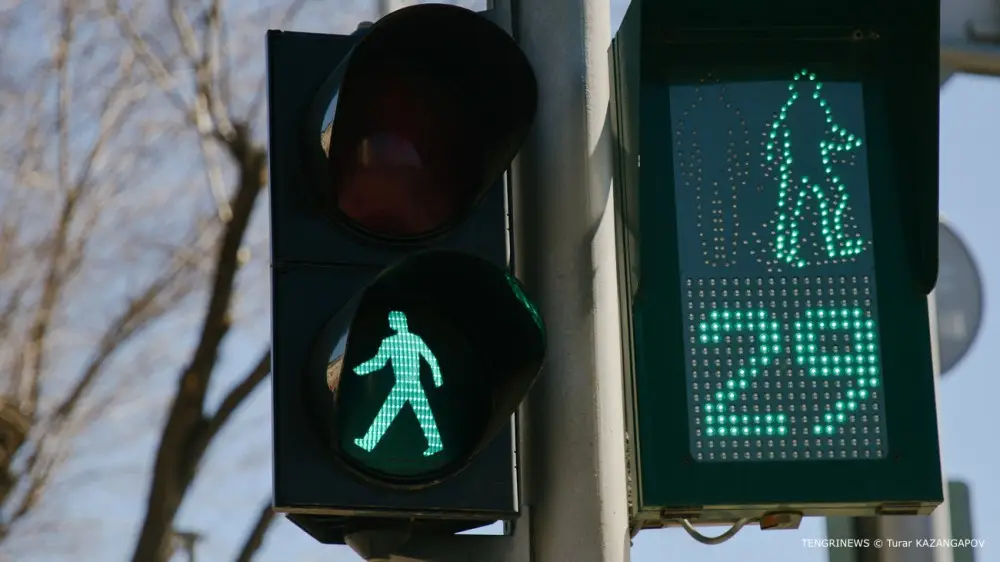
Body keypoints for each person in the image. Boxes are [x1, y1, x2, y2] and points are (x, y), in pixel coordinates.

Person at [353, 310, 444, 456]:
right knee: (422, 414)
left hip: (406, 384)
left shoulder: (392, 341)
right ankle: (435, 444)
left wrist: (360, 369)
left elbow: (378, 362)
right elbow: (431, 358)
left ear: (395, 323)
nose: (390, 323)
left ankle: (368, 443)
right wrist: (437, 377)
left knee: (390, 414)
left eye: (391, 321)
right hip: (411, 384)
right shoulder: (413, 339)